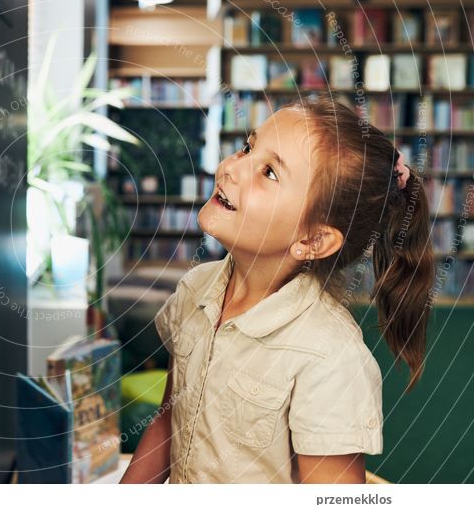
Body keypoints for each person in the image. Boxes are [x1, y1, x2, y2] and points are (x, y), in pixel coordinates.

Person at [120, 94, 435, 484]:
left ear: (313, 239)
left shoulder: (330, 357)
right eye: (248, 148)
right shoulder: (194, 290)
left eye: (269, 172)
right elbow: (169, 419)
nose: (231, 168)